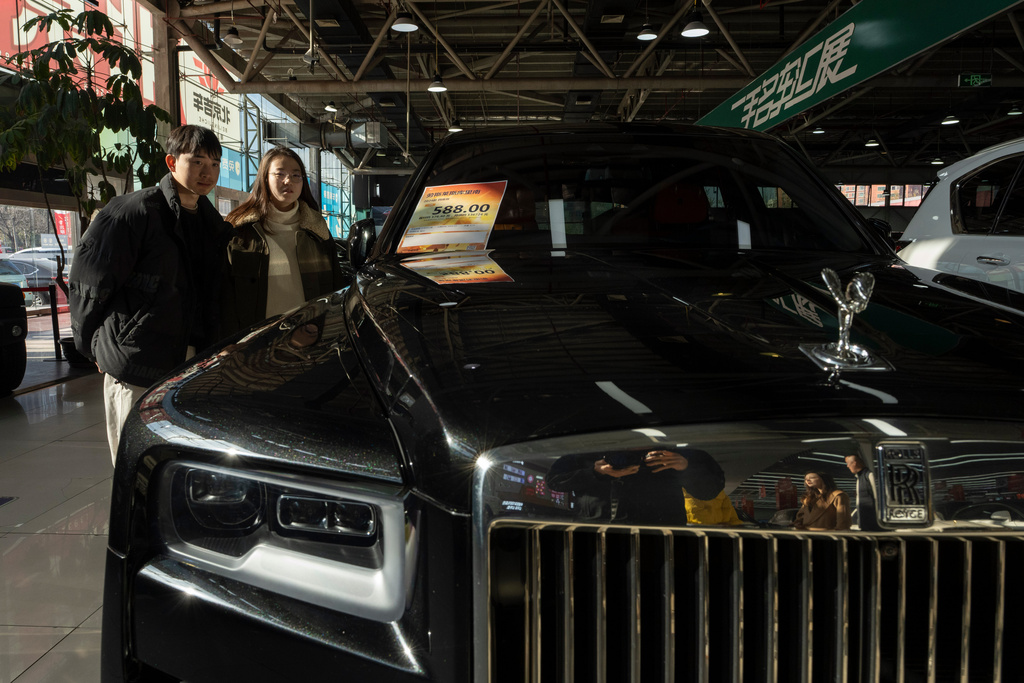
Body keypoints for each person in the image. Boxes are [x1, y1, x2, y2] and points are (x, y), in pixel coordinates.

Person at [69, 125, 232, 465]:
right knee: (136, 460)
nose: (208, 172)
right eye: (198, 161)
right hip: (137, 361)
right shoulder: (133, 211)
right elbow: (90, 283)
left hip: (190, 361)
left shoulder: (211, 222)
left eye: (215, 164)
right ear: (171, 162)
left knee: (179, 462)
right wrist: (91, 346)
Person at [221, 147, 343, 336]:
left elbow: (335, 289)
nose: (288, 181)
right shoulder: (240, 230)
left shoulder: (317, 230)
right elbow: (225, 296)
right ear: (264, 178)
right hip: (254, 341)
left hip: (309, 337)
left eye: (296, 175)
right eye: (280, 174)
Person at [548, 448, 727, 526]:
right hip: (595, 536)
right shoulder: (587, 454)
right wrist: (594, 472)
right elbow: (553, 481)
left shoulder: (672, 456)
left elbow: (710, 492)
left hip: (660, 540)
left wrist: (686, 466)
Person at [845, 453, 881, 530]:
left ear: (854, 463)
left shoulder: (869, 475)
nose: (847, 466)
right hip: (864, 518)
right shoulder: (860, 477)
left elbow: (876, 497)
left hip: (871, 520)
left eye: (848, 463)